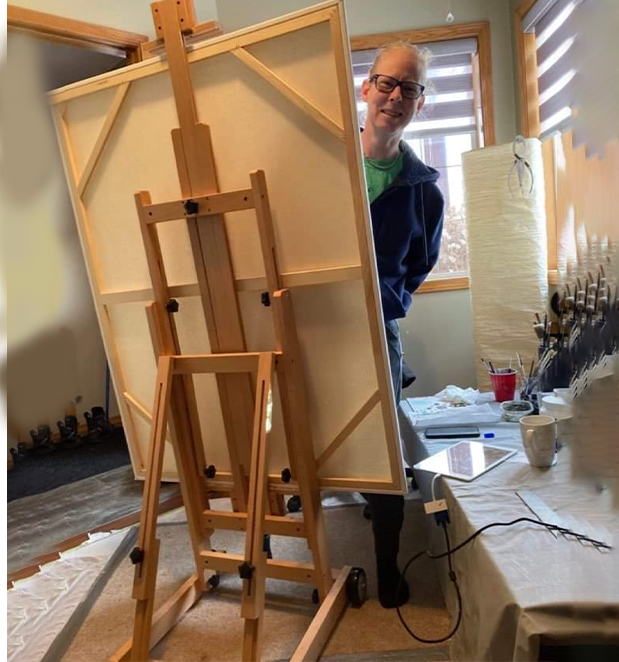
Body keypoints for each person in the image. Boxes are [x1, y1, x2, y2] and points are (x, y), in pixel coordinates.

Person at [360, 42, 445, 608]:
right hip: (311, 324)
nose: (395, 96)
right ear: (366, 87)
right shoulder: (324, 161)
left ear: (420, 102)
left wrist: (390, 298)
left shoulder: (425, 192)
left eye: (409, 87)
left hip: (378, 327)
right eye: (387, 82)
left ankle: (387, 568)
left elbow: (420, 264)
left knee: (384, 440)